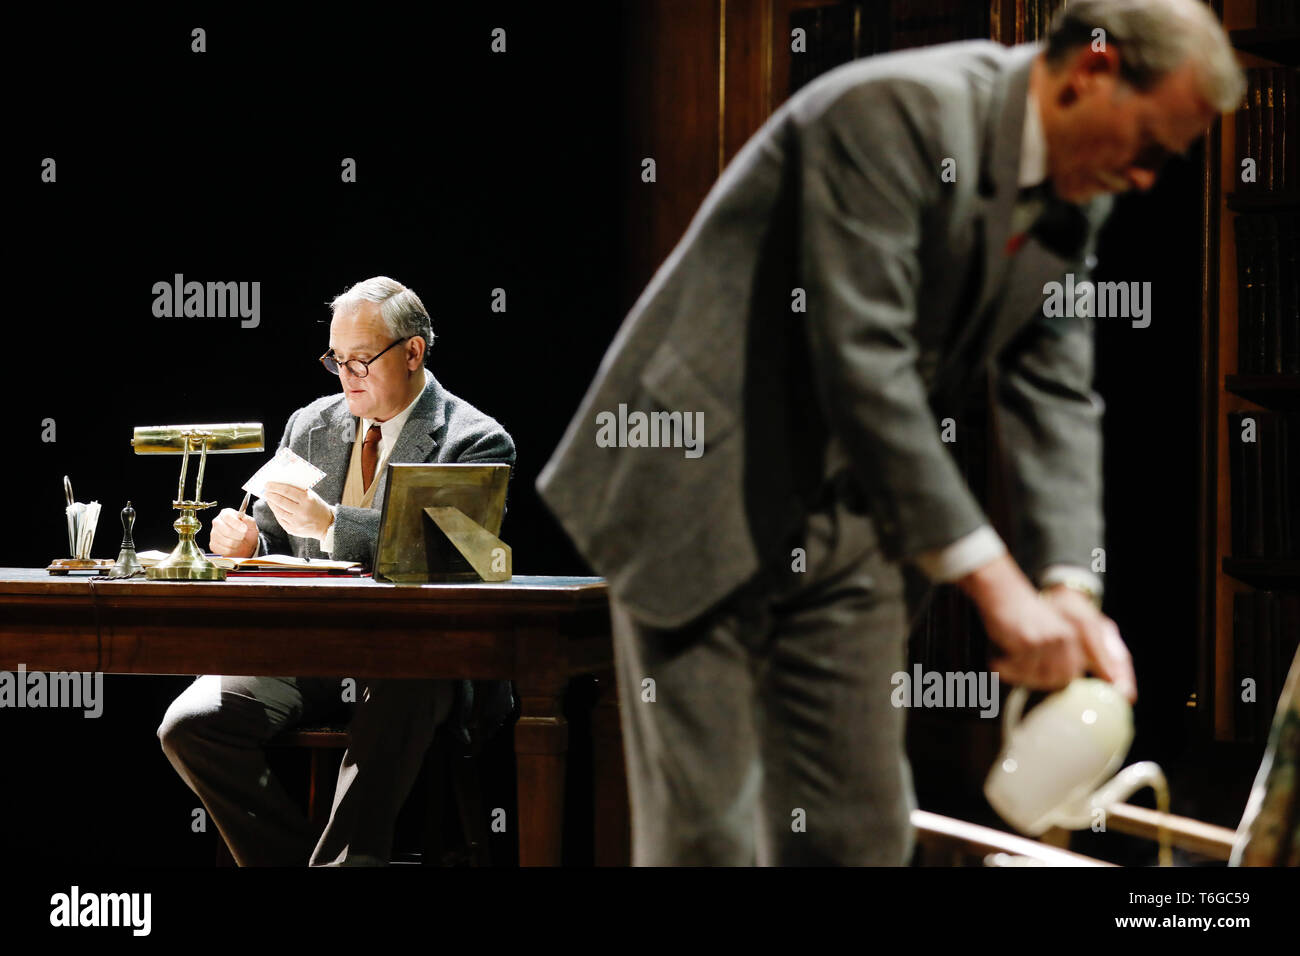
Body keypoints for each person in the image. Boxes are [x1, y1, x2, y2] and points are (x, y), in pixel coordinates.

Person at [537, 0, 1244, 865]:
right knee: (707, 839)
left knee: (858, 833)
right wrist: (999, 590)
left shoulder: (1074, 194)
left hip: (854, 518)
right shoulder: (889, 112)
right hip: (699, 483)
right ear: (1093, 72)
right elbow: (861, 361)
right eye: (1149, 144)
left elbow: (1055, 387)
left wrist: (1067, 586)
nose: (1145, 179)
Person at [158, 276, 515, 866]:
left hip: (421, 659)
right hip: (310, 650)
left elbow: (456, 560)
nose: (346, 376)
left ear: (413, 352)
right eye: (336, 360)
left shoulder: (473, 440)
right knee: (190, 725)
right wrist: (248, 541)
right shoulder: (312, 425)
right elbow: (277, 535)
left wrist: (332, 523)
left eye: (361, 361)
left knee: (405, 688)